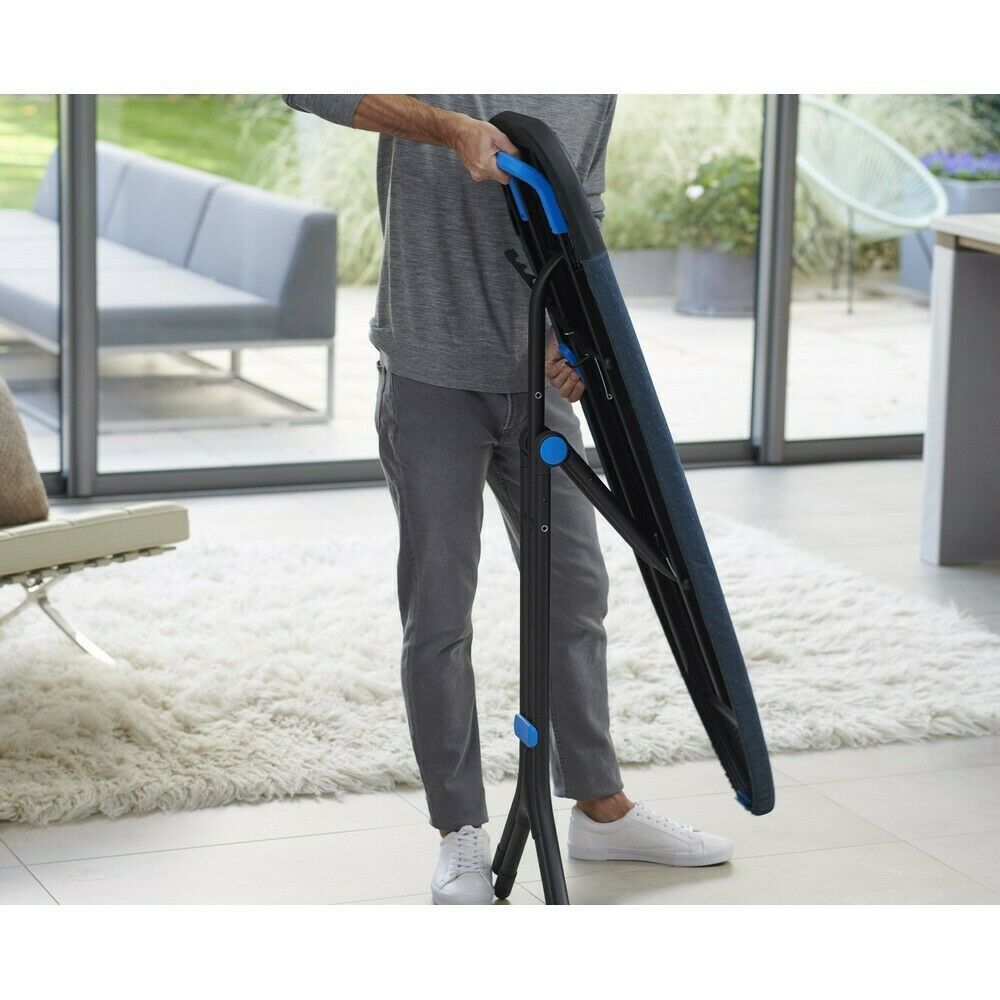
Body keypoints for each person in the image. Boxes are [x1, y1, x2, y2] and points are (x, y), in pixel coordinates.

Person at [283, 95, 734, 904]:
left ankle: (599, 807)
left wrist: (572, 329)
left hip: (538, 381)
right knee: (439, 609)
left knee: (575, 591)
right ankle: (460, 830)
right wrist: (447, 128)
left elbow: (580, 208)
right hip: (429, 372)